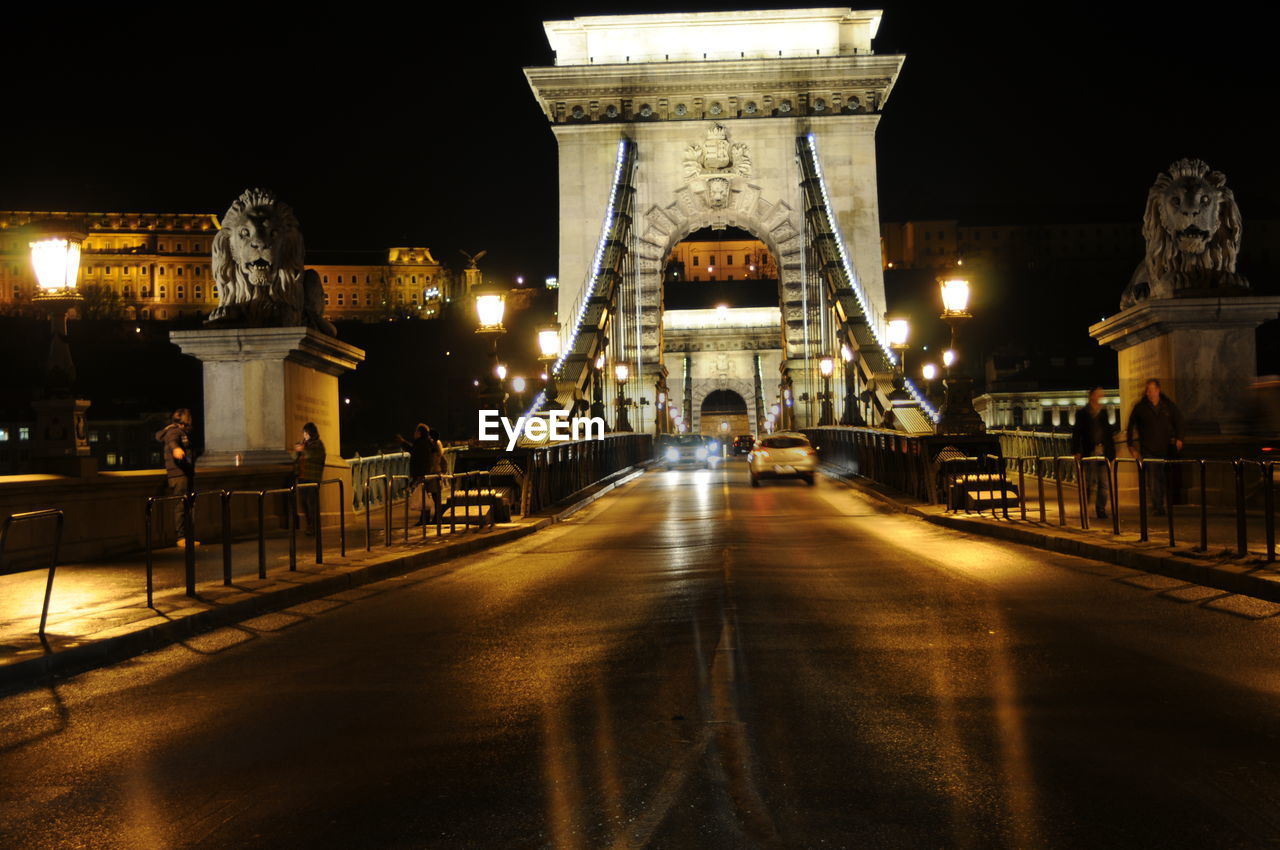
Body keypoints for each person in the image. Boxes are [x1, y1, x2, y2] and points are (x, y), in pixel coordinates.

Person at [1126, 378, 1184, 516]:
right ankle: (1158, 506)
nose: (1148, 393)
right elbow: (1130, 425)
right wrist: (1131, 446)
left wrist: (1180, 438)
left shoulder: (1168, 406)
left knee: (1162, 478)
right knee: (1152, 477)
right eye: (1147, 390)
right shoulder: (1140, 407)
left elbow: (1179, 420)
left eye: (1151, 390)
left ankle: (1160, 503)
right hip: (1148, 449)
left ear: (1158, 390)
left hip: (1164, 448)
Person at [1071, 387, 1116, 518]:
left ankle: (1100, 509)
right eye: (1098, 395)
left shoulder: (1104, 413)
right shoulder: (1082, 414)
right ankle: (1084, 507)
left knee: (1104, 483)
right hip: (1088, 452)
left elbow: (1109, 434)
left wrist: (1111, 453)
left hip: (1103, 453)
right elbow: (1076, 434)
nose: (1100, 397)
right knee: (1089, 483)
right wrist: (1076, 451)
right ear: (1092, 396)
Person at [155, 408, 198, 547]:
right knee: (182, 505)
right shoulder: (174, 431)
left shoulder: (178, 431)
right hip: (179, 474)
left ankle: (188, 537)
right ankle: (181, 537)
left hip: (183, 473)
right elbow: (172, 441)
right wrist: (176, 449)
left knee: (188, 505)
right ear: (186, 421)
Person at [397, 423, 444, 525]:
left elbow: (417, 455)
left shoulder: (421, 443)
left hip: (426, 474)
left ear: (419, 433)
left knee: (426, 496)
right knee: (433, 497)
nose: (414, 433)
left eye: (416, 431)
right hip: (433, 473)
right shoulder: (430, 444)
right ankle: (433, 518)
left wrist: (403, 443)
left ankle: (427, 519)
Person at [294, 422, 326, 535]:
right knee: (304, 503)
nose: (304, 435)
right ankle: (309, 525)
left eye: (306, 432)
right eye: (304, 432)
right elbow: (296, 458)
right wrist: (297, 452)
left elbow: (311, 456)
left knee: (312, 503)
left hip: (312, 478)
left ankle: (314, 527)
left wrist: (302, 450)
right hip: (302, 477)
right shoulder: (305, 445)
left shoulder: (318, 445)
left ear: (311, 433)